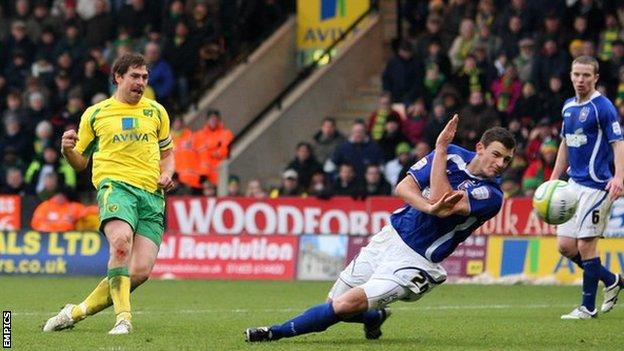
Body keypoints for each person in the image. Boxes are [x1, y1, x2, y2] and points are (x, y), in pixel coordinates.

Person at [245, 116, 516, 342]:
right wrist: (427, 205)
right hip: (390, 237)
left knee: (344, 306)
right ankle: (374, 316)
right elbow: (403, 187)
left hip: (416, 262)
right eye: (497, 155)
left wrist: (441, 150)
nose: (501, 164)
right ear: (480, 148)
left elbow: (442, 201)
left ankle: (273, 333)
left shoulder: (491, 195)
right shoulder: (454, 154)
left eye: (506, 160)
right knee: (334, 304)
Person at [43, 53, 175, 335]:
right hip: (116, 187)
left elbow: (168, 154)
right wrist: (68, 150)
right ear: (118, 77)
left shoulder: (157, 112)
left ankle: (75, 312)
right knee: (120, 244)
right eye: (135, 77)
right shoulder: (96, 114)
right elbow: (81, 162)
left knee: (139, 272)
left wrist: (168, 174)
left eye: (144, 77)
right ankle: (123, 319)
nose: (141, 83)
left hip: (152, 195)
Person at [550, 55, 624, 320]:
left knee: (585, 245)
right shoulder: (568, 106)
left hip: (598, 185)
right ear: (570, 75)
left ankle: (587, 308)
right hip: (573, 185)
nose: (580, 80)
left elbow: (618, 143)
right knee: (565, 247)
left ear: (595, 78)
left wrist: (619, 178)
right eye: (576, 75)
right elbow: (565, 143)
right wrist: (555, 176)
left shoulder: (602, 107)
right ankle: (612, 279)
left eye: (586, 75)